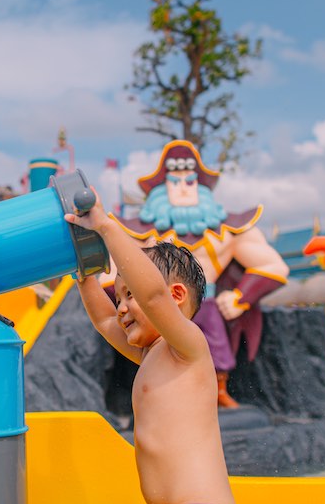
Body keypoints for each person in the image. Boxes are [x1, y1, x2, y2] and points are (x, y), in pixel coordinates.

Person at [66, 191, 247, 504]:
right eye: (118, 296)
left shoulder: (188, 346)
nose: (121, 308)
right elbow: (106, 323)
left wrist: (105, 226)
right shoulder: (150, 353)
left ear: (175, 297)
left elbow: (152, 296)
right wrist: (84, 275)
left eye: (129, 294)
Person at [113, 140, 289, 409]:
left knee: (216, 343)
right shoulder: (143, 233)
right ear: (162, 188)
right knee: (160, 351)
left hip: (206, 302)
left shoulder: (228, 231)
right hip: (159, 307)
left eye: (190, 181)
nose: (183, 188)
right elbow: (114, 272)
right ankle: (166, 393)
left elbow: (274, 266)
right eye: (175, 182)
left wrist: (240, 297)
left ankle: (219, 391)